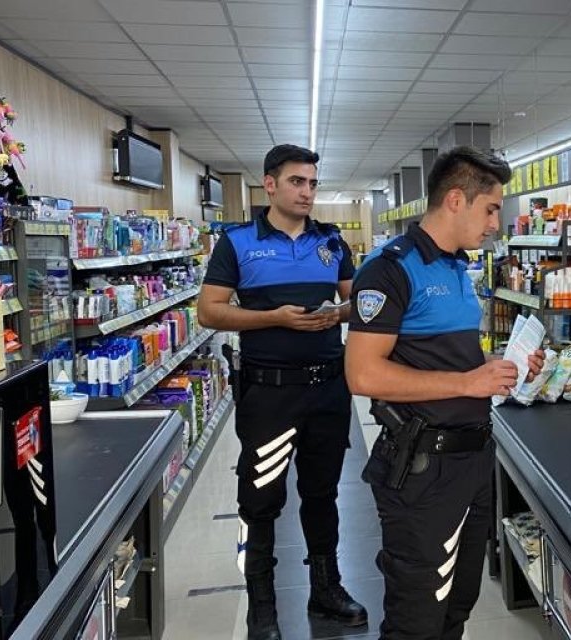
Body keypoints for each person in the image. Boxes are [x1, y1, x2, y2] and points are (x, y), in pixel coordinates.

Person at [345, 146, 542, 640]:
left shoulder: (457, 269)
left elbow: (449, 361)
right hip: (422, 473)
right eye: (491, 208)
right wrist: (466, 382)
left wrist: (497, 368)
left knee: (456, 608)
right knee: (417, 619)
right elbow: (363, 374)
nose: (497, 222)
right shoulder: (390, 268)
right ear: (456, 199)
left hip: (472, 463)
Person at [198, 144, 366, 640]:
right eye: (297, 181)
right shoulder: (238, 243)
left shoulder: (332, 243)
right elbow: (209, 311)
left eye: (313, 183)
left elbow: (358, 304)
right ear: (269, 184)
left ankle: (326, 588)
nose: (307, 192)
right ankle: (262, 607)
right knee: (261, 499)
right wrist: (273, 317)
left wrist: (338, 314)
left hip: (327, 391)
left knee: (322, 493)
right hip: (269, 396)